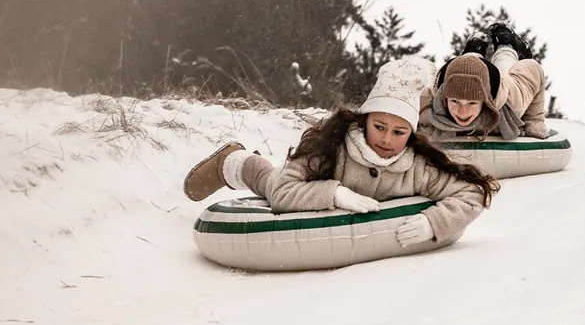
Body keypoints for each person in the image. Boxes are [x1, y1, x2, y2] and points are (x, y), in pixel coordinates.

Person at [181, 57, 499, 250]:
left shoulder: (417, 166)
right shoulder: (331, 148)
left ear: (411, 135)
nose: (387, 139)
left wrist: (435, 223)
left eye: (399, 132)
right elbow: (282, 192)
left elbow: (471, 193)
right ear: (365, 120)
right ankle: (233, 161)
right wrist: (335, 194)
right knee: (267, 181)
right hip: (310, 183)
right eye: (379, 126)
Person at [420, 21, 552, 140]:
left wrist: (534, 120)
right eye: (455, 101)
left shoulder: (512, 100)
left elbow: (535, 69)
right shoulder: (426, 104)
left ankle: (506, 43)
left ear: (485, 101)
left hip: (496, 80)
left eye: (471, 103)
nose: (462, 111)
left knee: (505, 63)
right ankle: (474, 47)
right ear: (444, 98)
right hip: (453, 72)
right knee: (468, 61)